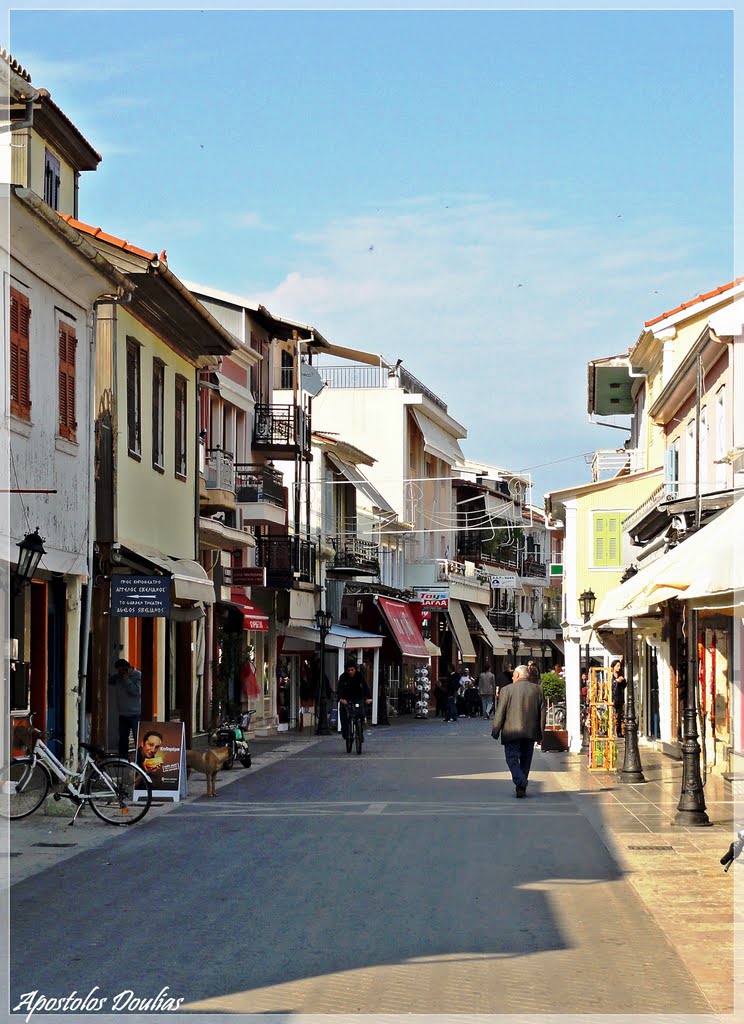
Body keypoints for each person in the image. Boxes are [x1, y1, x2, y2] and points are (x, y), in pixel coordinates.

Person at [491, 664, 546, 798]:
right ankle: (521, 788)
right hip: (530, 732)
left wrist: (495, 730)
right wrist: (541, 734)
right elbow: (542, 715)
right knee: (526, 760)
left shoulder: (506, 690)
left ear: (516, 676)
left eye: (513, 676)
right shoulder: (538, 690)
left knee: (511, 758)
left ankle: (520, 780)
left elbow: (500, 712)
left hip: (511, 731)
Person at [108, 658, 142, 758]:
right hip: (122, 713)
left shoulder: (137, 675)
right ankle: (122, 758)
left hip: (135, 713)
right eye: (118, 670)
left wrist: (127, 679)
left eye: (121, 670)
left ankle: (140, 759)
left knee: (137, 738)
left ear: (126, 669)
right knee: (123, 738)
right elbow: (110, 681)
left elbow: (136, 691)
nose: (119, 672)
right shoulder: (118, 677)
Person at [337, 661, 372, 738]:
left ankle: (360, 731)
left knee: (361, 713)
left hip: (358, 697)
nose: (350, 672)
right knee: (344, 713)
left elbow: (365, 686)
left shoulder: (360, 676)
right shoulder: (343, 677)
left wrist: (369, 697)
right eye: (348, 670)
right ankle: (345, 731)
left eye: (352, 670)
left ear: (355, 669)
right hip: (346, 698)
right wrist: (341, 698)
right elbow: (340, 688)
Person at [611, 659, 627, 737]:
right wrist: (616, 681)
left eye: (620, 666)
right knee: (612, 715)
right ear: (613, 667)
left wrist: (622, 680)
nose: (619, 667)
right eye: (617, 666)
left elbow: (624, 685)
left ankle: (619, 732)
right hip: (612, 698)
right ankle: (612, 731)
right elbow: (609, 686)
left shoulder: (621, 675)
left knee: (619, 716)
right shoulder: (611, 676)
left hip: (619, 699)